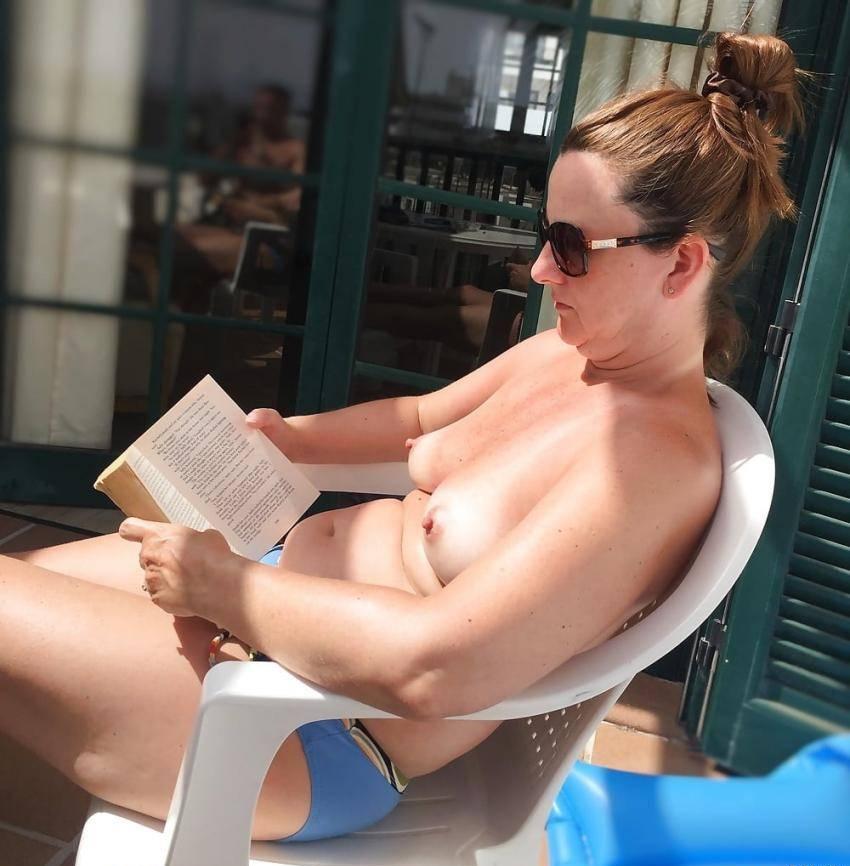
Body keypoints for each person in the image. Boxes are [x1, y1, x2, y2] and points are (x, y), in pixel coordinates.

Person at [1, 32, 802, 843]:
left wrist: (221, 586)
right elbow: (421, 420)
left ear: (680, 265)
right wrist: (292, 438)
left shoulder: (654, 465)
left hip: (306, 725)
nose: (538, 270)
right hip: (270, 608)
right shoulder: (566, 356)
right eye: (546, 233)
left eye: (570, 247)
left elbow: (435, 666)